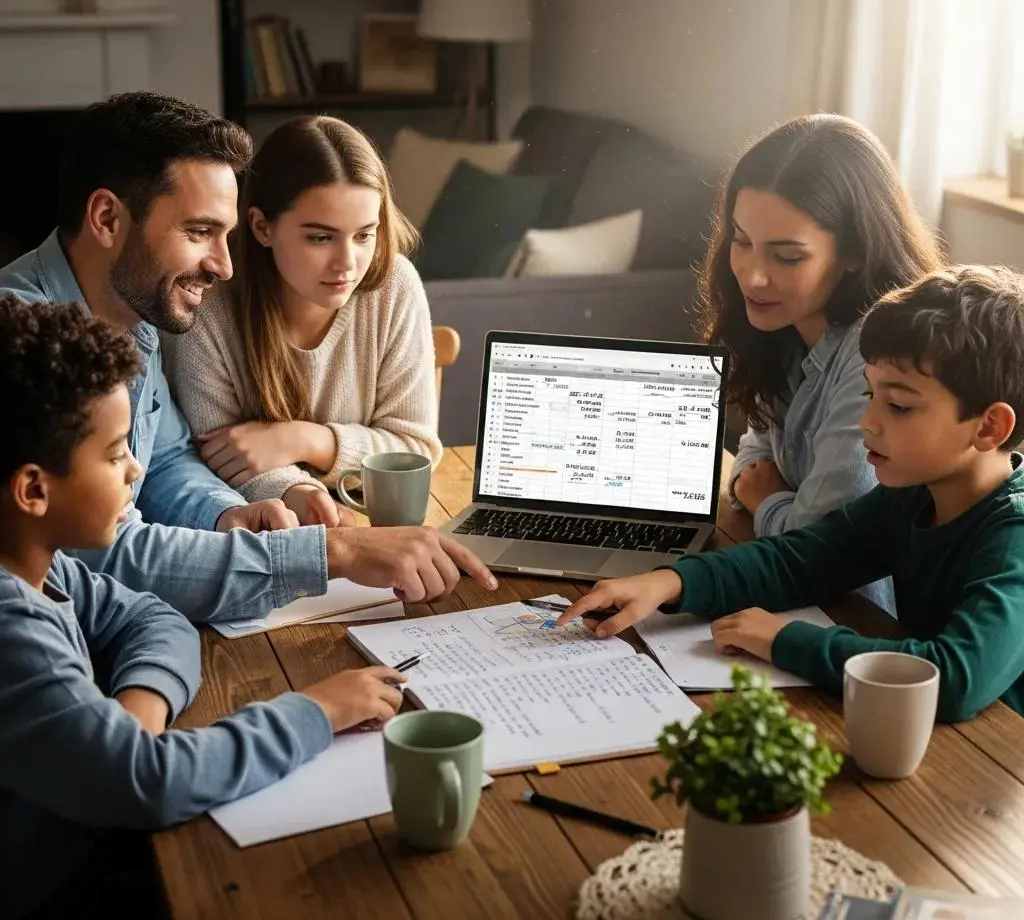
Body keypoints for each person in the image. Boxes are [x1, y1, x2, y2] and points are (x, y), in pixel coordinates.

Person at [0, 92, 496, 623]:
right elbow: (100, 554)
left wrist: (227, 513)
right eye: (198, 232)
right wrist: (335, 554)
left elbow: (166, 463)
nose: (224, 266)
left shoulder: (134, 316)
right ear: (106, 217)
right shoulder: (20, 340)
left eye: (225, 234)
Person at [0, 297, 413, 919]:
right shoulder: (10, 623)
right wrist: (318, 710)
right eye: (115, 455)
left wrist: (139, 711)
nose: (134, 469)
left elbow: (152, 618)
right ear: (34, 489)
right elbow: (150, 783)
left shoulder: (40, 562)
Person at [558, 265, 1024, 723]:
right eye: (870, 396)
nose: (868, 421)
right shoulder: (915, 494)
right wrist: (668, 583)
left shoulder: (1014, 535)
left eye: (899, 405)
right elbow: (801, 559)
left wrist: (785, 640)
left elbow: (956, 677)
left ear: (988, 427)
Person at [705, 115, 944, 611]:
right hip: (793, 589)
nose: (753, 277)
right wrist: (766, 492)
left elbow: (822, 541)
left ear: (856, 251)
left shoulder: (876, 359)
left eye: (787, 257)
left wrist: (767, 500)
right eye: (742, 241)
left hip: (862, 623)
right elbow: (754, 454)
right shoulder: (782, 326)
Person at [163, 116, 441, 528]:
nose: (347, 263)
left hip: (372, 524)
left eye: (364, 235)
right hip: (267, 526)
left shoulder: (394, 286)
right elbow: (220, 455)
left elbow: (415, 452)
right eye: (320, 237)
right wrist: (300, 493)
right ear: (261, 227)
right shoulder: (209, 304)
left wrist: (302, 439)